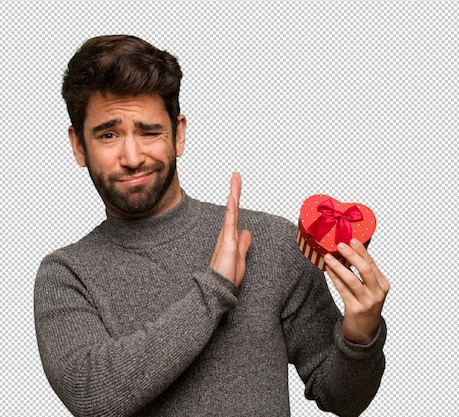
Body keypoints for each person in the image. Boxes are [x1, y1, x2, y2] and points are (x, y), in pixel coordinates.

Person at [34, 34, 390, 417]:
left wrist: (360, 335)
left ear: (179, 133)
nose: (132, 157)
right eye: (108, 134)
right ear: (78, 146)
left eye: (149, 131)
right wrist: (215, 288)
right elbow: (94, 397)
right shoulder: (66, 276)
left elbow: (342, 398)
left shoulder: (271, 243)